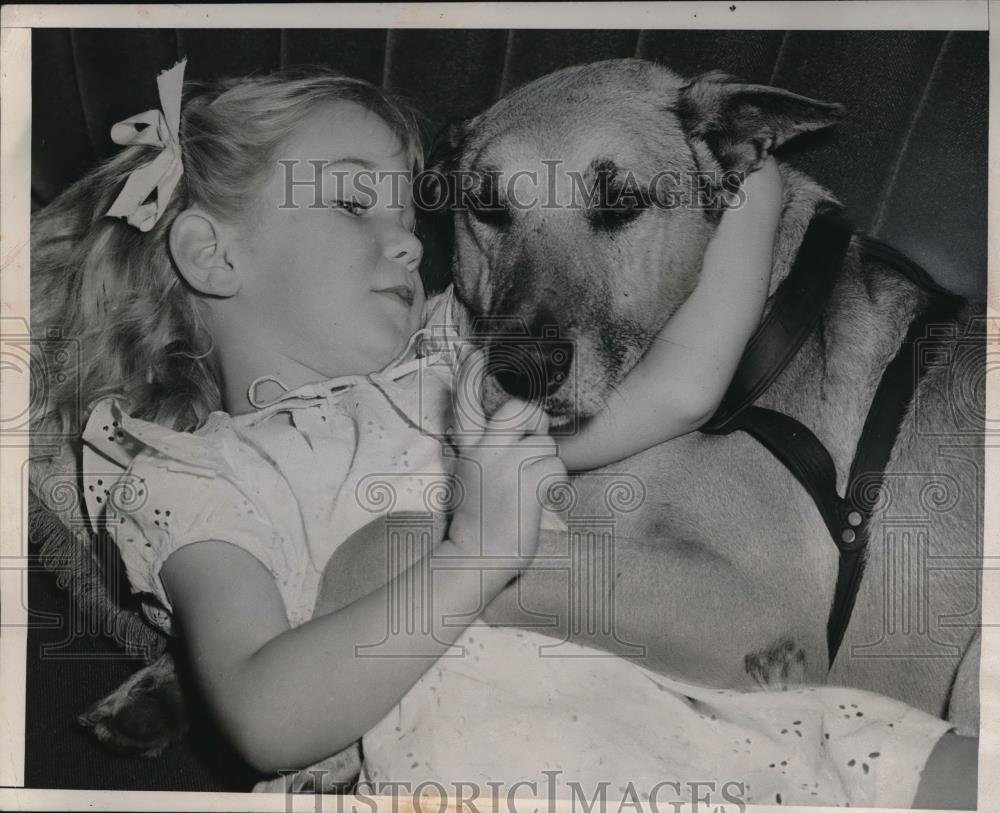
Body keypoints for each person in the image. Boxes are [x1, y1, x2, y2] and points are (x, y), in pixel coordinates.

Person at [31, 60, 975, 808]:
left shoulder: (442, 355)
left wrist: (735, 156)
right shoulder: (213, 468)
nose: (407, 242)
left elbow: (703, 452)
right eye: (489, 212)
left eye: (615, 208)